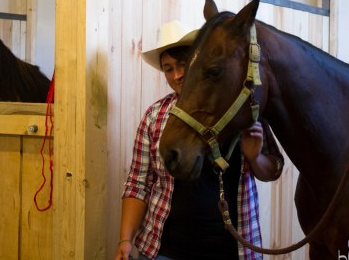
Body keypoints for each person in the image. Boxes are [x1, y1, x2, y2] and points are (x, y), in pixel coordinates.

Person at [115, 20, 284, 260]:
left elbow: (274, 170)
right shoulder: (155, 116)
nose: (177, 75)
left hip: (232, 252)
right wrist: (125, 239)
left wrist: (255, 158)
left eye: (183, 65)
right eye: (168, 69)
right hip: (164, 251)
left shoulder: (242, 111)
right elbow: (138, 182)